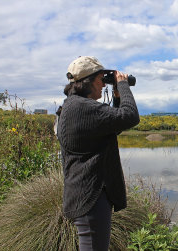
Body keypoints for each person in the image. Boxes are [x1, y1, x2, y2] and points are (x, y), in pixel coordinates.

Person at [56, 56, 140, 251]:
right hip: (91, 196)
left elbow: (114, 126)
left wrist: (117, 96)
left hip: (85, 192)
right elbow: (130, 117)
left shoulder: (74, 105)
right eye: (101, 79)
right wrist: (123, 85)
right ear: (88, 81)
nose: (104, 84)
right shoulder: (83, 107)